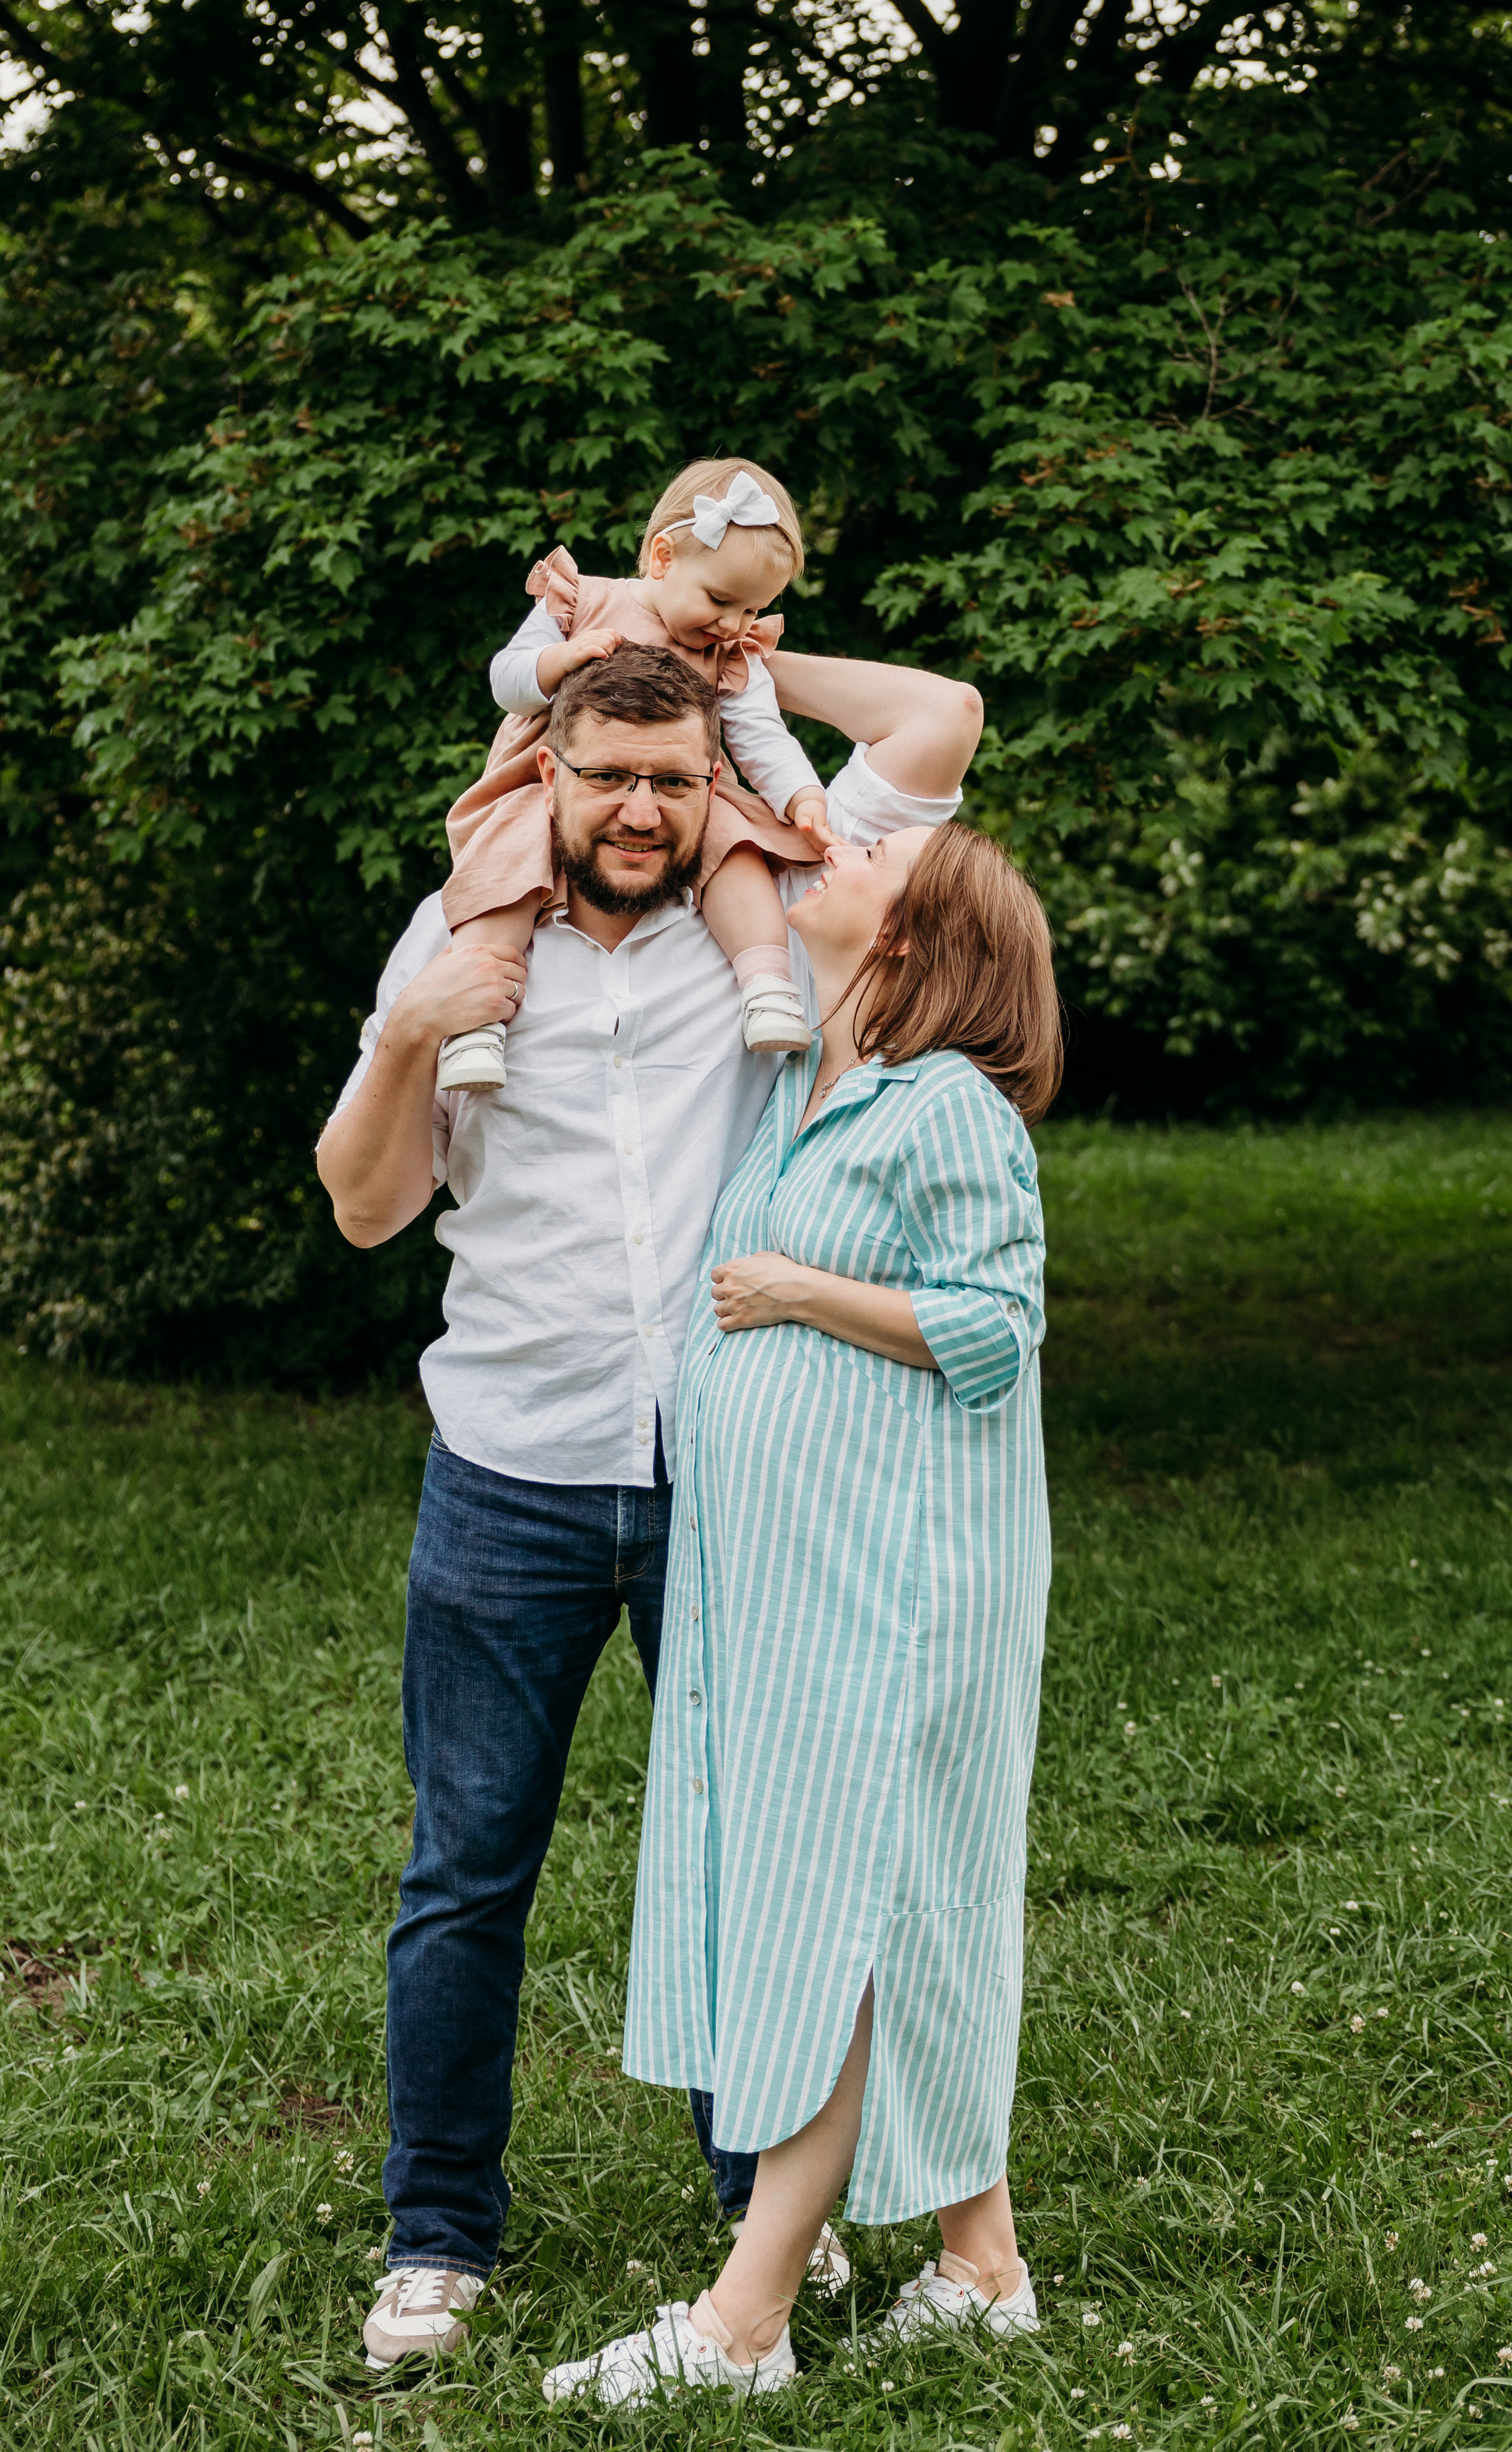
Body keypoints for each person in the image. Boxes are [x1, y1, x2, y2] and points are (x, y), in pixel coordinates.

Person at [315, 637, 981, 2373]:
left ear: (713, 788)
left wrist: (731, 643)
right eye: (606, 774)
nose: (637, 808)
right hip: (510, 1472)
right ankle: (435, 2237)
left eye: (672, 780)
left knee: (760, 1856)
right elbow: (366, 1208)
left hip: (732, 1476)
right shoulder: (456, 938)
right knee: (467, 1868)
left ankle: (764, 2218)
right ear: (544, 772)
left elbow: (934, 727)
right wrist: (410, 1036)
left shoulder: (791, 923)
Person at [541, 818, 1062, 2408]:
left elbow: (997, 1324)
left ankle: (742, 2322)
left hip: (898, 1585)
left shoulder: (947, 1104)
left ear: (908, 939)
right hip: (797, 1588)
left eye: (869, 867)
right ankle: (980, 2266)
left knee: (835, 1912)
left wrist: (791, 1293)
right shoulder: (806, 1084)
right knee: (881, 1898)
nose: (830, 857)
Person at [433, 457, 831, 1092]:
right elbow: (507, 681)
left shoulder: (728, 653)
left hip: (680, 789)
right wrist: (558, 660)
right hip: (548, 784)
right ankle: (477, 1022)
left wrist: (802, 795)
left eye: (752, 608)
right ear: (663, 558)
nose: (732, 625)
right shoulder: (583, 601)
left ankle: (766, 985)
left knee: (735, 846)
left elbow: (760, 733)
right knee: (506, 865)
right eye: (720, 600)